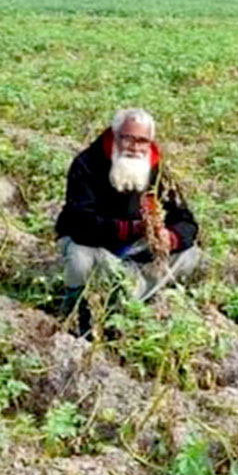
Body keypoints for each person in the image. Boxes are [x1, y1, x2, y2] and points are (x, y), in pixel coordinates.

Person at [56, 108, 199, 334]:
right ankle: (79, 308)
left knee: (189, 255)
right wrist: (132, 228)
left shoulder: (158, 171)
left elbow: (186, 220)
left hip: (134, 250)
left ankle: (123, 298)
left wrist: (167, 237)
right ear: (115, 135)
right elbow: (80, 222)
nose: (134, 146)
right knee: (79, 259)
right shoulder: (87, 164)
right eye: (128, 138)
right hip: (95, 244)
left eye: (142, 140)